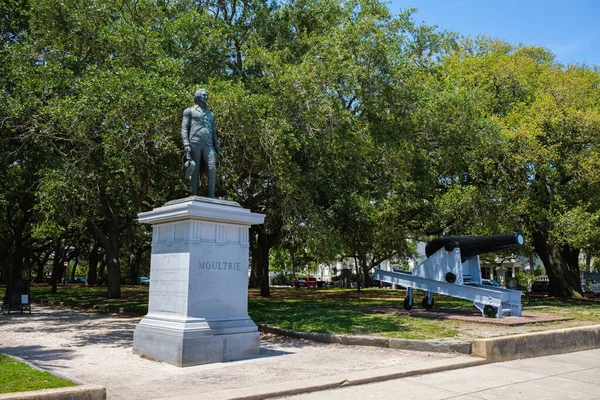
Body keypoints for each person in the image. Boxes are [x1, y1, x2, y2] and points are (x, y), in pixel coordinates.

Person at [181, 89, 222, 198]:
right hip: (194, 142)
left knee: (212, 167)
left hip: (208, 144)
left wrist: (217, 147)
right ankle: (194, 194)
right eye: (204, 95)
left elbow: (214, 132)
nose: (206, 97)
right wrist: (186, 144)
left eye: (207, 95)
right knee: (196, 169)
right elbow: (184, 129)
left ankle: (211, 195)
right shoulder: (189, 111)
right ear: (198, 96)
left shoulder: (211, 115)